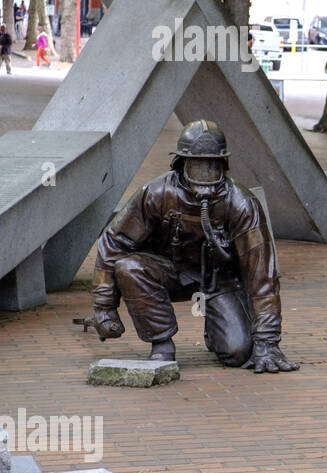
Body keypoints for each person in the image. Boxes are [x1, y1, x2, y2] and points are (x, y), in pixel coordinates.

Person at [87, 119, 298, 373]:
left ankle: (220, 327)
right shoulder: (156, 193)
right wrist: (104, 308)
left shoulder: (241, 204)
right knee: (129, 267)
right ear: (181, 164)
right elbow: (113, 242)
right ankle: (161, 343)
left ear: (224, 165)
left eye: (211, 166)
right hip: (168, 272)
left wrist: (267, 342)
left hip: (220, 280)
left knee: (238, 352)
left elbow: (262, 276)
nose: (205, 174)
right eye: (197, 166)